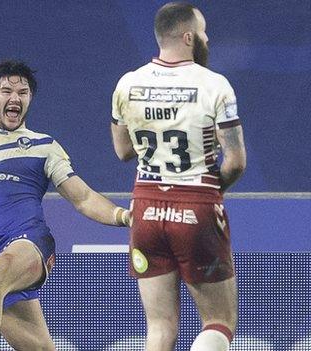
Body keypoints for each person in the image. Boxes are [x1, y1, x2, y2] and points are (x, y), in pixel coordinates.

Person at [0, 60, 130, 351]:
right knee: (37, 346)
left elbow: (84, 198)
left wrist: (124, 216)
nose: (15, 98)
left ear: (29, 99)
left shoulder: (44, 146)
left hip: (30, 243)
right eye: (6, 91)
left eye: (22, 92)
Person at [110, 3, 247, 351]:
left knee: (158, 328)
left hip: (145, 208)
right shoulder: (215, 85)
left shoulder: (127, 83)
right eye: (202, 33)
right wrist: (210, 194)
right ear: (188, 37)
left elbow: (123, 151)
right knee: (219, 321)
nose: (206, 38)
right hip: (196, 204)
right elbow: (235, 162)